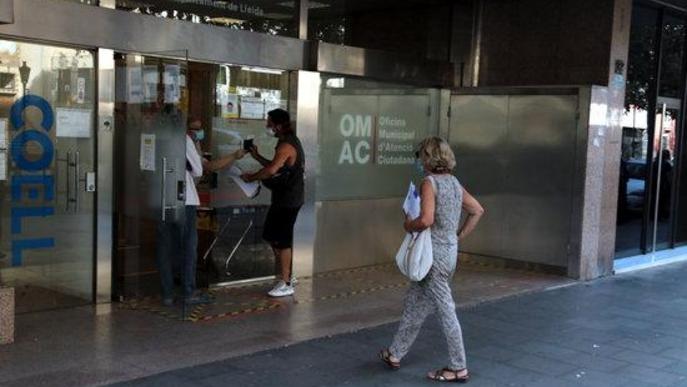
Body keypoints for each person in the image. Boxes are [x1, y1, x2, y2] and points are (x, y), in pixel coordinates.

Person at [379, 137, 484, 383]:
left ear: (427, 158)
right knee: (415, 302)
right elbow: (477, 210)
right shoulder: (455, 183)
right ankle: (395, 353)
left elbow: (425, 220)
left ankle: (459, 367)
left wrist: (408, 224)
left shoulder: (429, 183)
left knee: (446, 310)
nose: (418, 161)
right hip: (448, 253)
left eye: (420, 156)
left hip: (431, 257)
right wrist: (457, 236)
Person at [158, 118, 245, 307]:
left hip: (162, 199)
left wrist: (233, 156)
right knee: (188, 247)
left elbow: (207, 165)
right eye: (195, 129)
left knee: (166, 247)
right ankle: (188, 292)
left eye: (200, 129)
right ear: (185, 128)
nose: (198, 133)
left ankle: (167, 293)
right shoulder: (184, 140)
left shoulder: (158, 138)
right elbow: (199, 170)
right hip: (184, 200)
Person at [241, 109, 304, 297]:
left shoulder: (287, 145)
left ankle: (286, 282)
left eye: (269, 124)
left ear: (278, 125)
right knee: (272, 235)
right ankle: (287, 275)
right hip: (284, 199)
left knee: (281, 240)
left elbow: (270, 171)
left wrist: (251, 178)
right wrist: (257, 157)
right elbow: (275, 165)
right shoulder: (287, 142)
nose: (267, 127)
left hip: (288, 201)